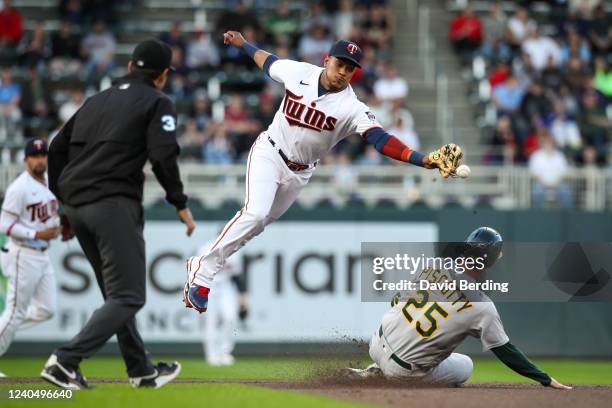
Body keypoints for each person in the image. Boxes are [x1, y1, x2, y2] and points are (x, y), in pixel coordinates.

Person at [182, 31, 464, 314]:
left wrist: (423, 159)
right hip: (269, 152)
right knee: (254, 213)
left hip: (300, 173)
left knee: (257, 225)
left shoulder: (352, 107)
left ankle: (206, 268)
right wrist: (243, 45)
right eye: (339, 64)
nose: (343, 72)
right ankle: (203, 271)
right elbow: (268, 62)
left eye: (350, 68)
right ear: (326, 60)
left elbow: (380, 139)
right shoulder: (298, 72)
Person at [42, 39, 196, 390]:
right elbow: (162, 155)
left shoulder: (97, 100)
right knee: (129, 296)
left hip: (78, 205)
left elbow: (55, 148)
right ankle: (65, 361)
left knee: (116, 294)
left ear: (129, 67)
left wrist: (63, 205)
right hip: (112, 203)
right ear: (162, 76)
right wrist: (180, 203)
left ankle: (140, 370)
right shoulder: (159, 102)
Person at [347, 227, 572, 390]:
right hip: (403, 372)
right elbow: (505, 350)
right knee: (465, 365)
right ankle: (386, 372)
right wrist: (545, 378)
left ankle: (376, 368)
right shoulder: (482, 306)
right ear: (491, 261)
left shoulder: (433, 265)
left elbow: (396, 301)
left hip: (376, 342)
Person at [0, 140, 63, 377]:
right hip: (22, 252)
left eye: (43, 154)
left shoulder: (50, 181)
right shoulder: (19, 188)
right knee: (15, 312)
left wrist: (61, 226)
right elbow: (4, 224)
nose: (40, 159)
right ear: (26, 159)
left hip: (41, 254)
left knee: (46, 309)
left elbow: (50, 215)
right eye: (34, 155)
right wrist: (36, 233)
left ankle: (7, 325)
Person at [198, 238, 247, 366]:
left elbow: (237, 276)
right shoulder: (205, 249)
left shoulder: (234, 251)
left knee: (230, 317)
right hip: (208, 287)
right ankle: (212, 355)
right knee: (211, 322)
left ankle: (224, 352)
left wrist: (242, 297)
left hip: (225, 287)